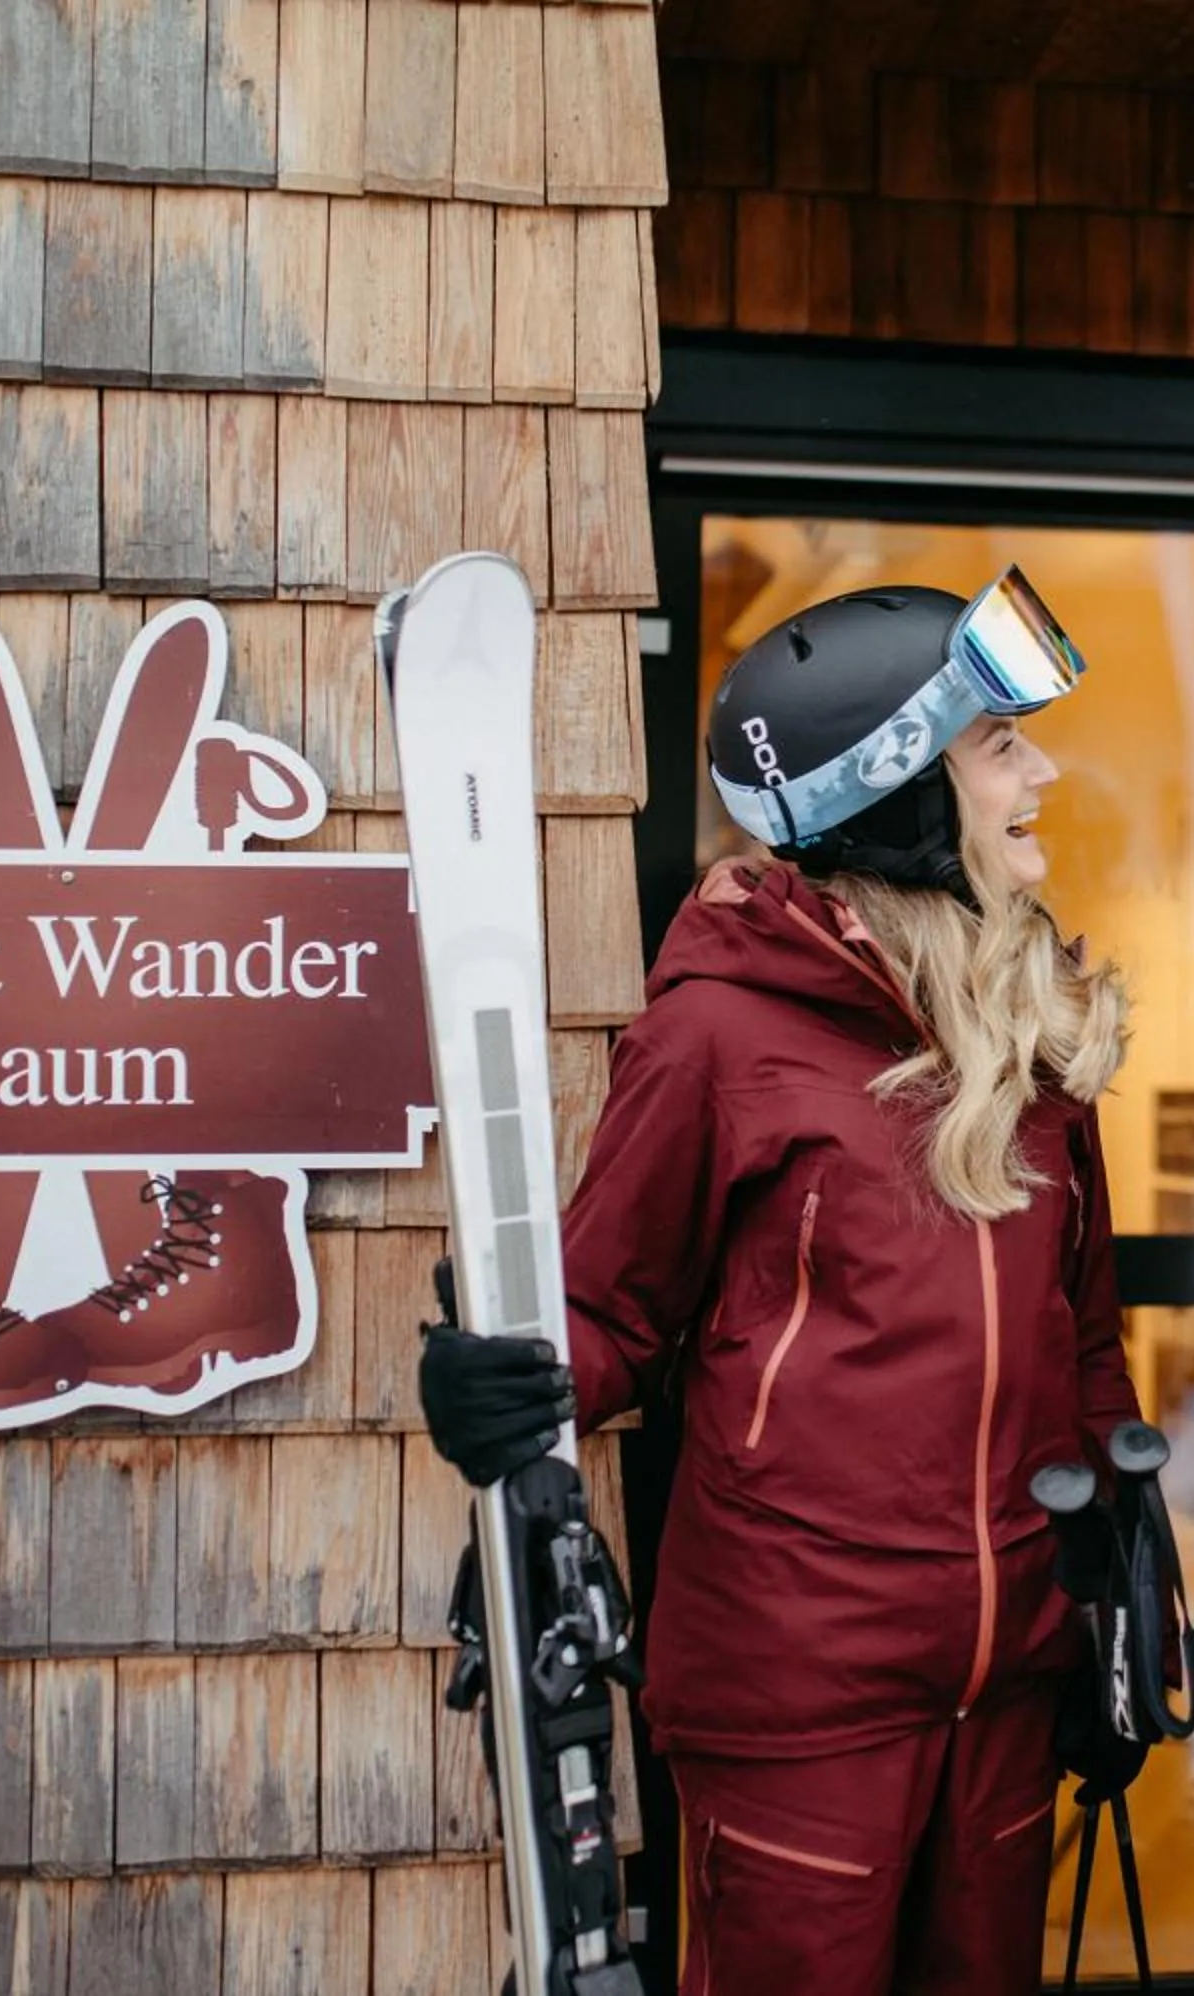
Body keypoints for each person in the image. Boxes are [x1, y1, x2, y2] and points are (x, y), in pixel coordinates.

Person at [418, 570, 1141, 1994]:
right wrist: (505, 1375)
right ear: (905, 795)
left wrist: (1115, 1596)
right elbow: (612, 1308)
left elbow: (1089, 1342)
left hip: (1005, 1691)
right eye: (1002, 747)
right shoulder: (720, 1038)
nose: (1040, 773)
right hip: (800, 1702)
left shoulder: (1029, 1035)